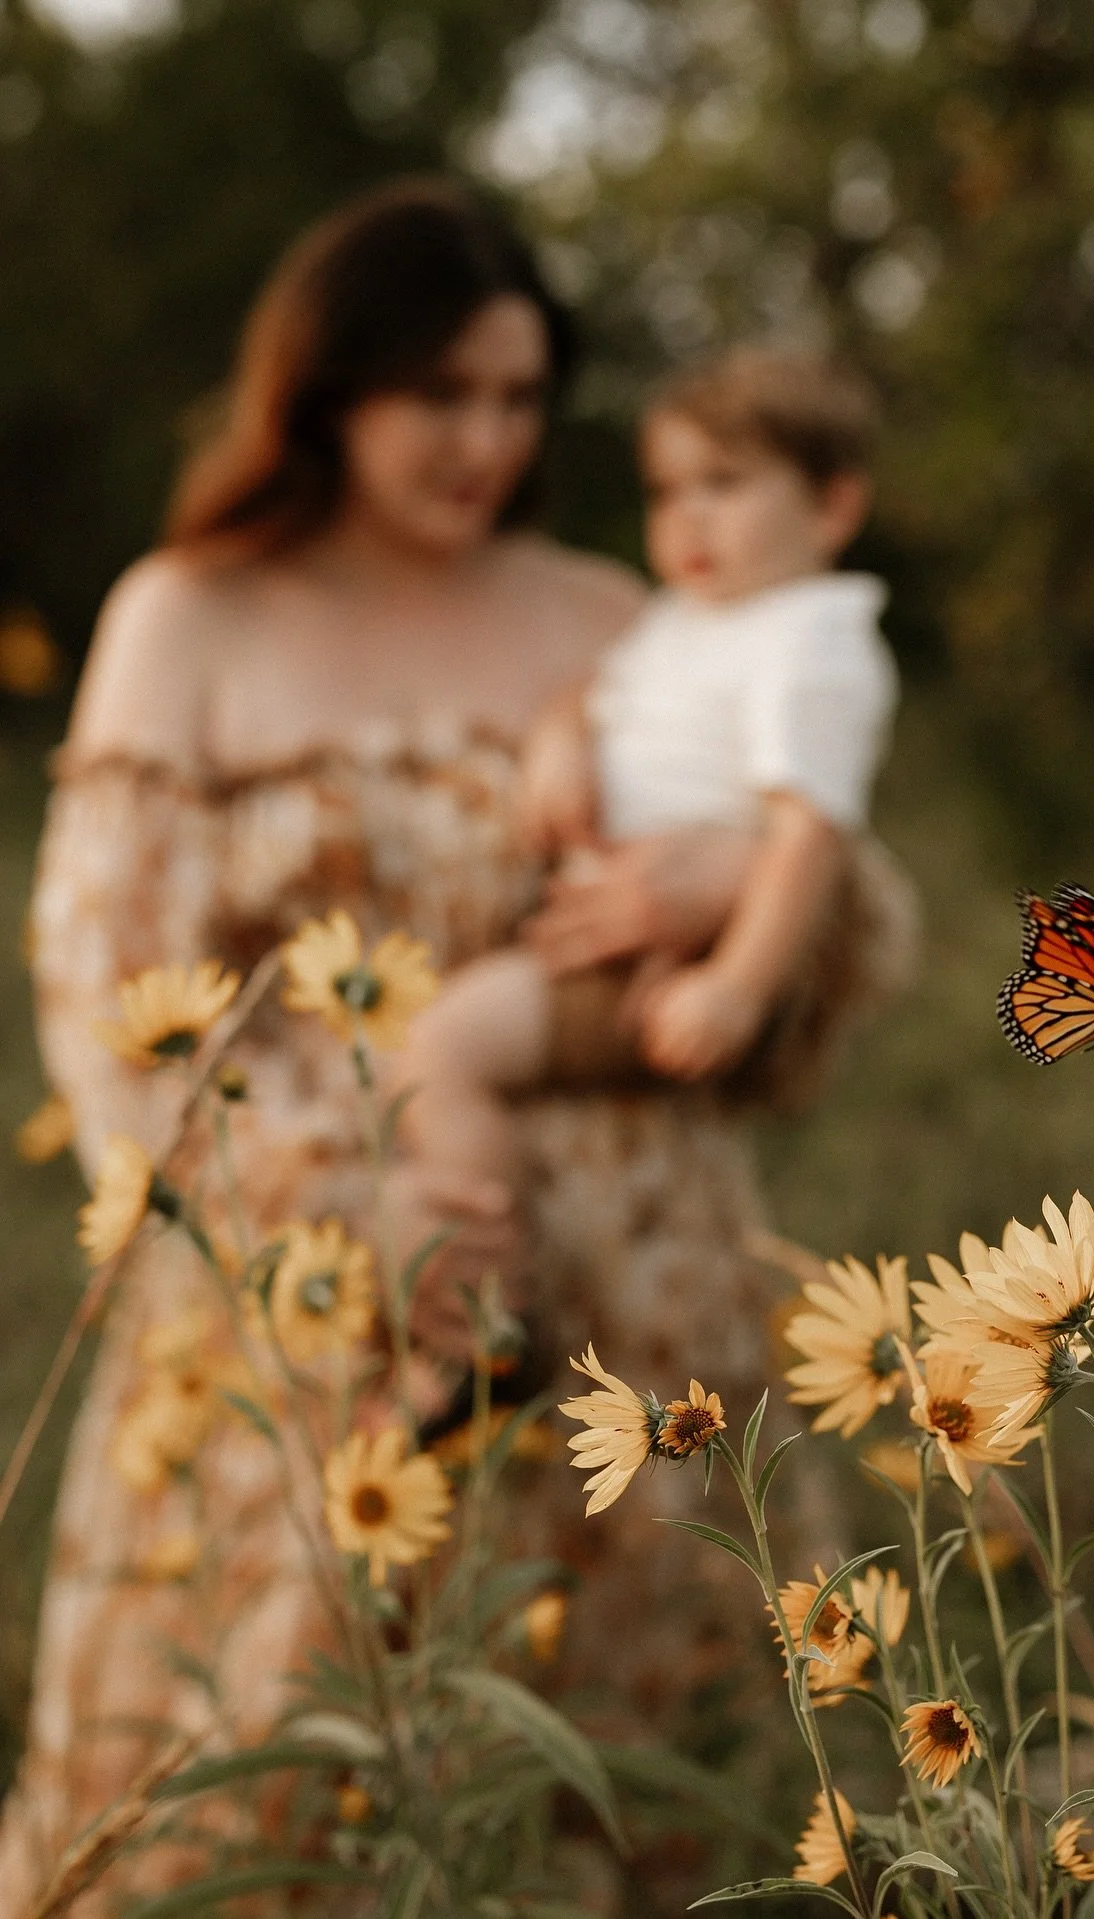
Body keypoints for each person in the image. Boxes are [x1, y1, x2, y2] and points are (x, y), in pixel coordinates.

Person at [0, 179, 916, 1913]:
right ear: (325, 386)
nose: (486, 438)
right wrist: (352, 1211)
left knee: (668, 1812)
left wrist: (740, 880)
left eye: (519, 396)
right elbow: (103, 995)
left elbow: (820, 912)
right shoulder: (185, 615)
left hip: (651, 1322)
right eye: (441, 393)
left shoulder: (622, 613)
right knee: (253, 1811)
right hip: (319, 1328)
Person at [398, 348, 899, 1299]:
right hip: (614, 922)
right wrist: (561, 735)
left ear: (833, 507)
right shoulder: (697, 616)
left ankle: (487, 1308)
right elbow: (607, 688)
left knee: (437, 1053)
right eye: (668, 492)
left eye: (726, 483)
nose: (687, 518)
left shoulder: (812, 644)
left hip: (660, 961)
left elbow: (808, 836)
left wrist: (736, 987)